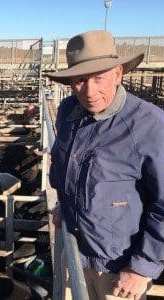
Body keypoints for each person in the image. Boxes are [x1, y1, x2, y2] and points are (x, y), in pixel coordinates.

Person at [48, 30, 164, 300]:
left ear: (118, 73)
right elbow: (64, 166)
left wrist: (141, 268)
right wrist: (64, 204)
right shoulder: (68, 111)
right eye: (79, 80)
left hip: (118, 268)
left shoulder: (149, 125)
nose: (89, 91)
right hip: (74, 249)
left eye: (99, 78)